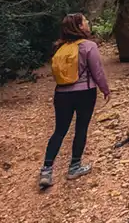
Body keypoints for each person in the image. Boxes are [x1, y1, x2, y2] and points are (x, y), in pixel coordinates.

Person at [39, 13, 111, 188]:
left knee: (59, 131)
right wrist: (105, 89)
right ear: (79, 27)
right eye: (85, 21)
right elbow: (97, 71)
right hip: (85, 92)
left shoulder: (59, 48)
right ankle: (74, 167)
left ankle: (47, 170)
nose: (88, 23)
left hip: (61, 94)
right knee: (81, 128)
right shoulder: (88, 46)